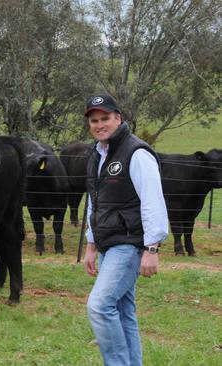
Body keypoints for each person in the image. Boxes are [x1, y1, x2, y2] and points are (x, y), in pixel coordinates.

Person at [83, 94, 169, 366]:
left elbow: (153, 201)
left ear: (118, 118)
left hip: (128, 244)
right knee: (122, 310)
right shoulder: (97, 153)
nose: (99, 124)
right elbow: (94, 202)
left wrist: (152, 248)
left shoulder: (137, 152)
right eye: (94, 120)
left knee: (99, 305)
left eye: (105, 118)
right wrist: (91, 244)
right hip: (109, 243)